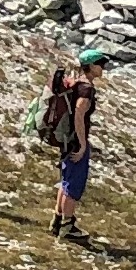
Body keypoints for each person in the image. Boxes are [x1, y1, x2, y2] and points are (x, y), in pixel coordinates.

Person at [39, 53, 100, 241]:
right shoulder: (86, 89)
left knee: (66, 179)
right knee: (74, 184)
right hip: (75, 140)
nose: (103, 68)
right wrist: (82, 145)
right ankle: (68, 226)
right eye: (100, 64)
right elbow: (79, 115)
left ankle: (57, 220)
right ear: (91, 66)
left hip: (66, 139)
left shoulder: (74, 83)